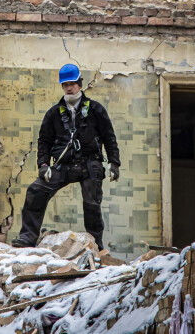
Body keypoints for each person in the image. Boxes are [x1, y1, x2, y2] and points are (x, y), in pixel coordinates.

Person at [11, 64, 121, 250]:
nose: (69, 88)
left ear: (79, 83)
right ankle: (28, 237)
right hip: (64, 165)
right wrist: (44, 165)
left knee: (91, 205)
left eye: (72, 83)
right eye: (65, 84)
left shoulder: (95, 109)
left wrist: (113, 163)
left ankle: (96, 245)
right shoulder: (54, 113)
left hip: (90, 164)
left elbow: (109, 137)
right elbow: (44, 141)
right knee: (36, 191)